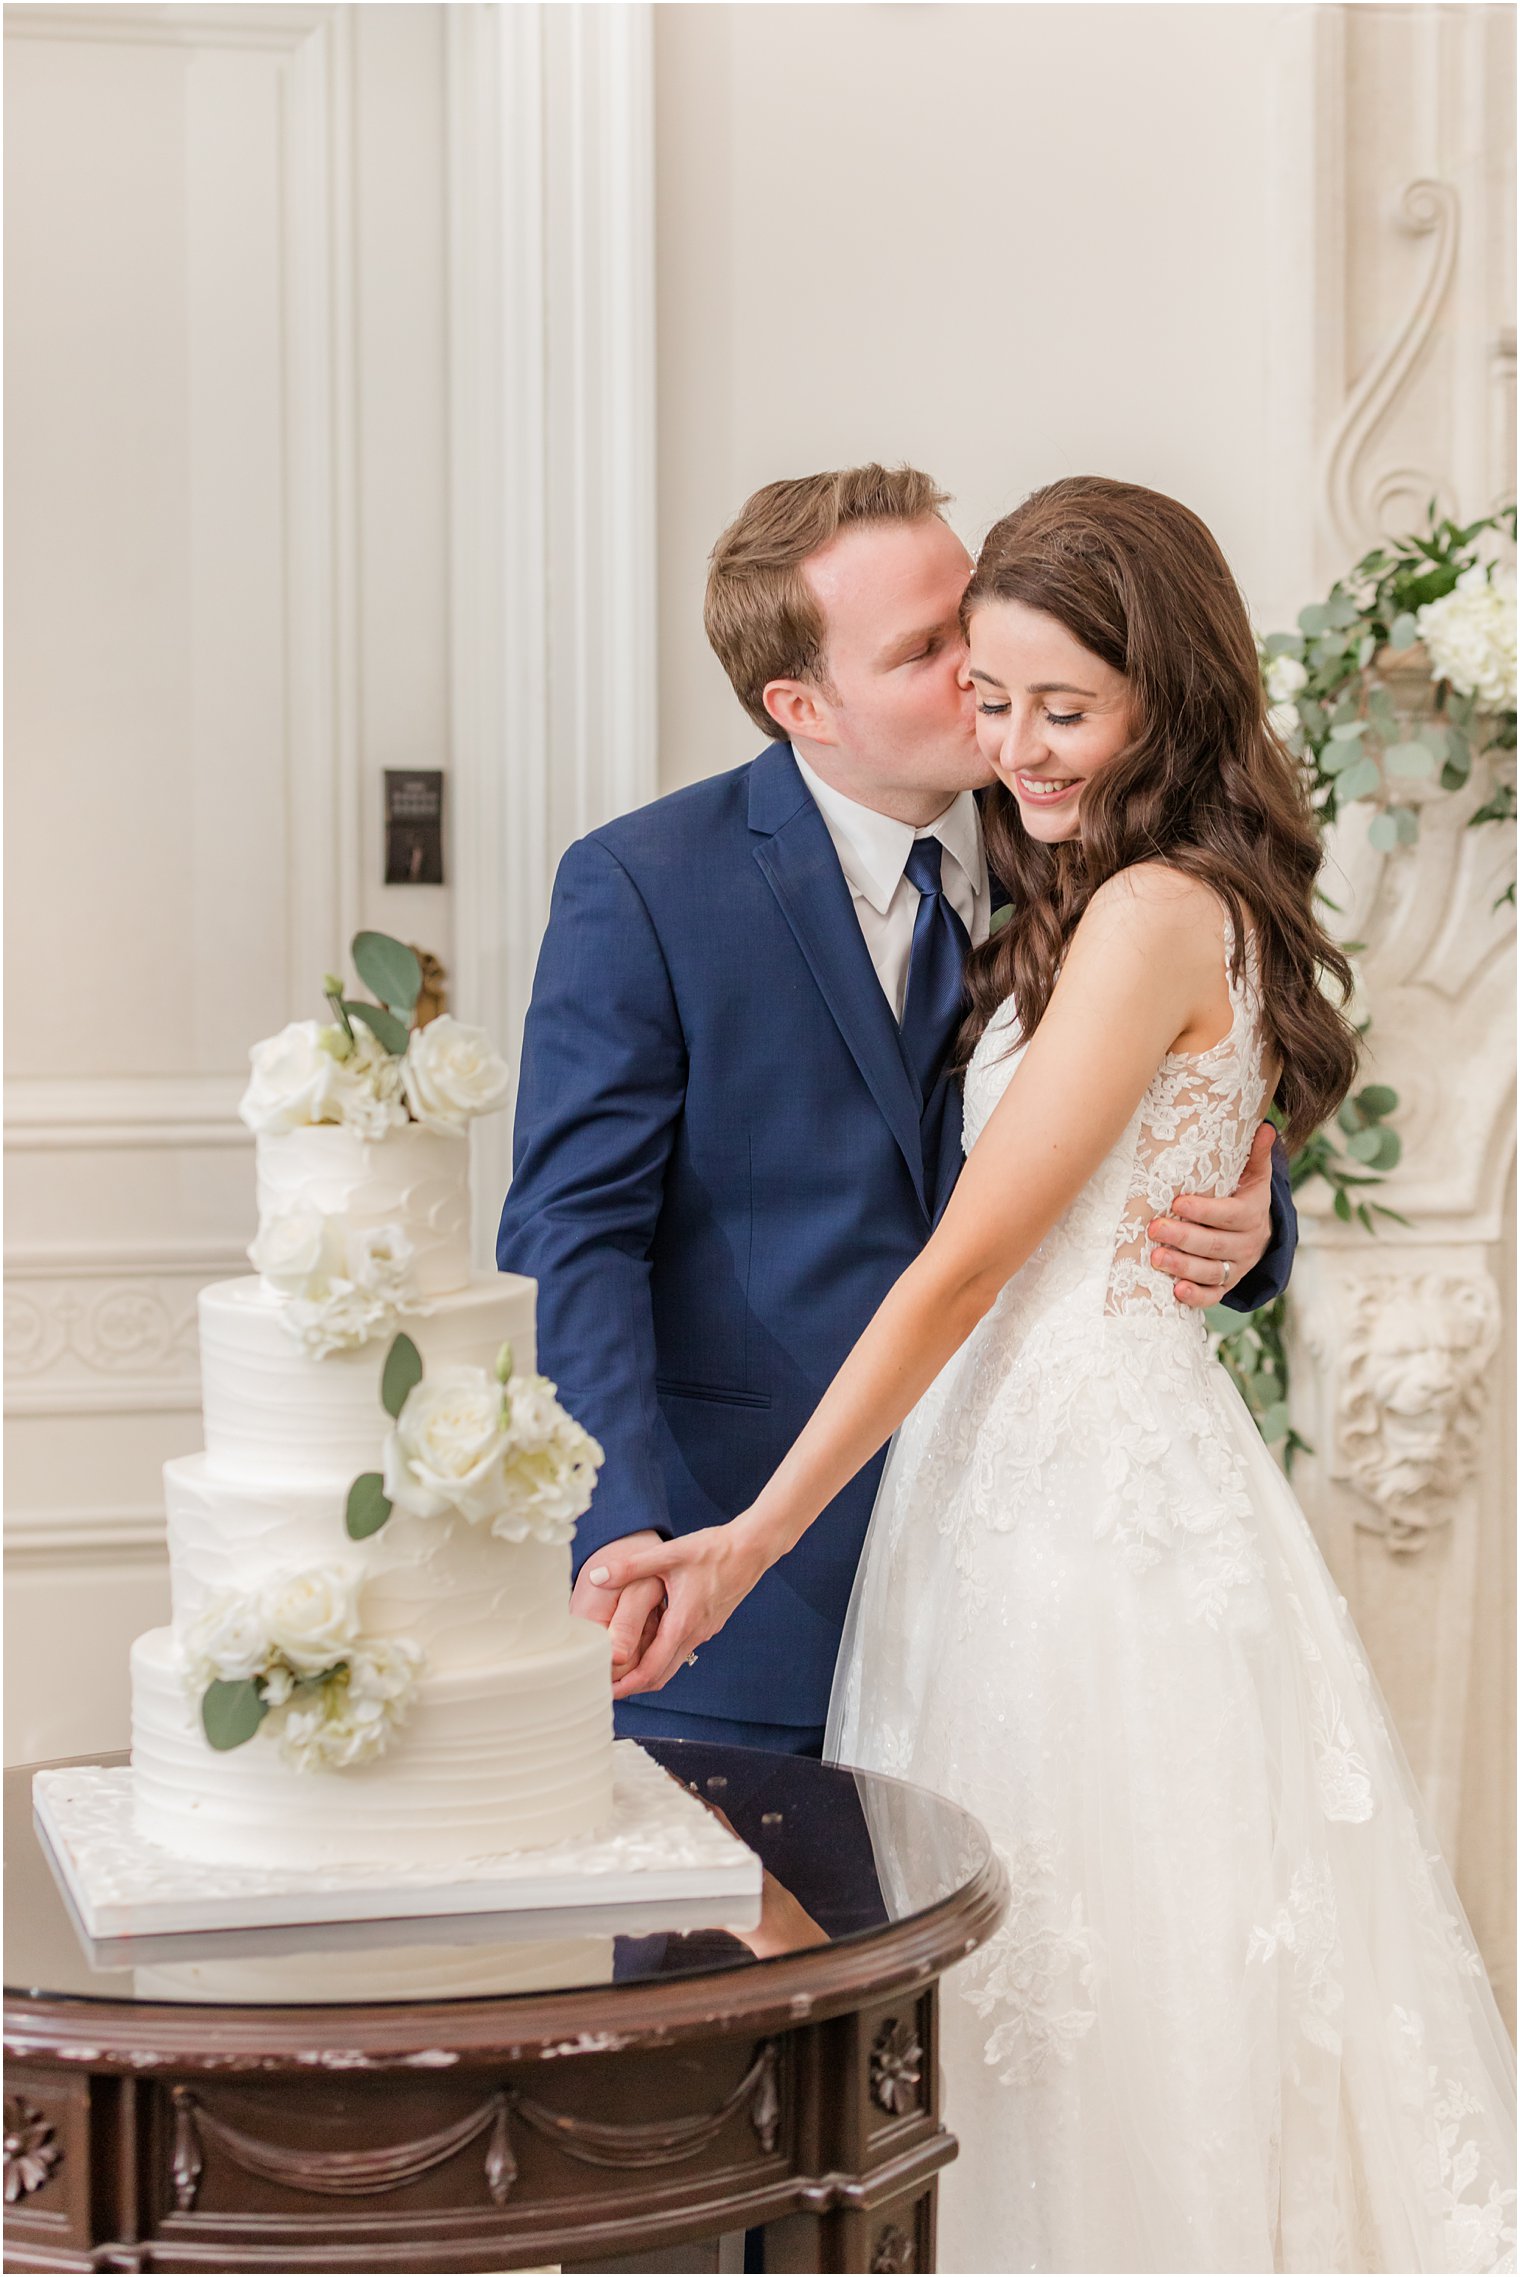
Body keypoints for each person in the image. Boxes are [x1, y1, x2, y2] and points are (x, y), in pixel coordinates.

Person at [588, 478, 1518, 2272]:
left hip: (1083, 1534)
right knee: (1008, 2000)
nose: (1008, 739)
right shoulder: (1061, 876)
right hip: (992, 1499)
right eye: (981, 691)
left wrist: (750, 1534)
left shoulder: (1154, 905)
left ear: (1164, 691)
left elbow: (971, 1258)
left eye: (1056, 706)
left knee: (1102, 1984)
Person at [498, 465, 1296, 1761]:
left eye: (969, 609)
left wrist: (1255, 1227)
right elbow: (571, 1237)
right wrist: (623, 1530)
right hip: (754, 1590)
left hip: (1042, 1574)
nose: (982, 662)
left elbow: (1161, 1110)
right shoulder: (646, 885)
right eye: (929, 648)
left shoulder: (1092, 833)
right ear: (802, 704)